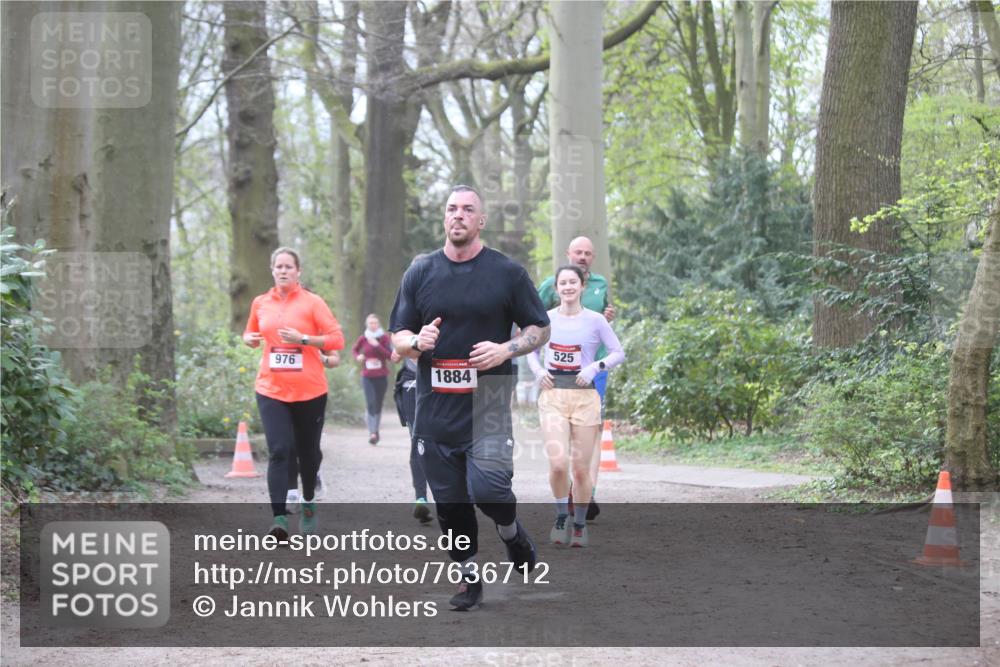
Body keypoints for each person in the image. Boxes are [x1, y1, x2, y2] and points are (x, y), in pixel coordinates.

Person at [389, 184, 550, 611]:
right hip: (436, 405)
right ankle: (467, 577)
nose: (458, 215)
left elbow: (539, 327)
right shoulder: (420, 272)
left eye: (468, 210)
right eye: (451, 209)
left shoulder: (507, 273)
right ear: (445, 219)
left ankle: (512, 534)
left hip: (489, 400)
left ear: (481, 221)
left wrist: (506, 348)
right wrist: (416, 342)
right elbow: (398, 338)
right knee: (451, 504)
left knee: (491, 489)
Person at [243, 247, 344, 539]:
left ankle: (309, 500)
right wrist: (247, 338)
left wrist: (304, 339)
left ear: (298, 272)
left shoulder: (313, 303)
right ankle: (279, 520)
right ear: (272, 270)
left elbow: (337, 339)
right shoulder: (260, 302)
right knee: (279, 451)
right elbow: (251, 333)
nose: (283, 270)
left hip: (310, 391)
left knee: (308, 454)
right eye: (279, 266)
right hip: (271, 388)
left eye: (289, 266)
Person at [527, 264, 625, 547]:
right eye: (563, 283)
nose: (568, 287)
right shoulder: (544, 320)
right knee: (558, 465)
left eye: (573, 282)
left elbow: (618, 352)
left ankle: (580, 524)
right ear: (556, 288)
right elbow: (529, 350)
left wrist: (595, 368)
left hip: (584, 397)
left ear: (582, 286)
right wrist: (538, 372)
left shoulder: (596, 320)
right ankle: (561, 517)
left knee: (581, 470)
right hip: (553, 395)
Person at [536, 236, 616, 520]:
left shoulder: (600, 285)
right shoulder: (551, 285)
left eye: (587, 253)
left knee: (591, 435)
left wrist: (608, 316)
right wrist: (538, 369)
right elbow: (533, 321)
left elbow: (604, 318)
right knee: (559, 455)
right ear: (568, 254)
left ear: (592, 258)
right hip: (557, 382)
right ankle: (566, 498)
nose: (582, 256)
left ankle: (587, 492)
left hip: (593, 371)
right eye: (577, 252)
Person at [286, 351, 339, 512]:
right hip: (282, 392)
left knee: (311, 449)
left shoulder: (316, 330)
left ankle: (313, 473)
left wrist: (322, 358)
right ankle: (292, 492)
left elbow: (334, 359)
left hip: (312, 394)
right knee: (289, 445)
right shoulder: (278, 330)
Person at [392, 349, 432, 524]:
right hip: (411, 379)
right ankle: (421, 499)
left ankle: (453, 499)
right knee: (418, 441)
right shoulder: (410, 320)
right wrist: (400, 348)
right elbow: (399, 336)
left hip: (443, 377)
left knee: (442, 441)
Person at [352, 314, 393, 445]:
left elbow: (390, 355)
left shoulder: (384, 338)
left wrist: (377, 345)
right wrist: (358, 357)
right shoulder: (363, 338)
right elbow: (355, 350)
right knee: (371, 402)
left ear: (378, 324)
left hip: (381, 376)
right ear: (367, 325)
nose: (373, 325)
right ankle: (372, 433)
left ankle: (376, 431)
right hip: (367, 376)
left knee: (378, 404)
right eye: (371, 323)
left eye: (375, 323)